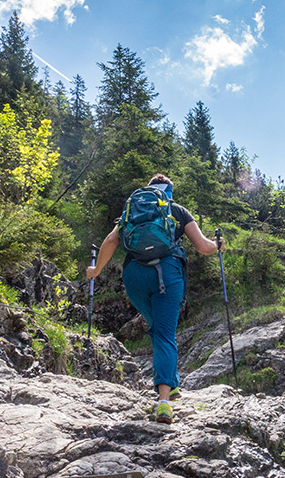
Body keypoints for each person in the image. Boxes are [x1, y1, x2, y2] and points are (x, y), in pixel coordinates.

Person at [86, 174, 223, 425]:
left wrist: (96, 271)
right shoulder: (176, 210)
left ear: (148, 189)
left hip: (134, 277)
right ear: (170, 190)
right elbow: (203, 247)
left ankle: (172, 384)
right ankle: (164, 404)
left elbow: (111, 240)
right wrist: (218, 245)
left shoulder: (131, 209)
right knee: (164, 334)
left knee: (156, 329)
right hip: (167, 274)